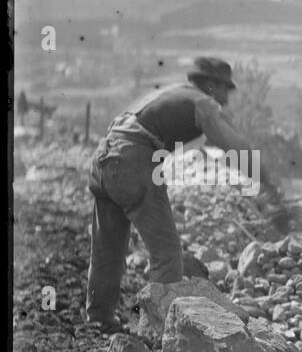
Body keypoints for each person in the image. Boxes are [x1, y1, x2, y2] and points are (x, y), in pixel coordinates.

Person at [84, 57, 279, 332]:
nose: (227, 99)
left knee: (108, 247)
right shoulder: (203, 102)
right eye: (225, 90)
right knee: (167, 253)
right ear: (211, 85)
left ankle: (98, 319)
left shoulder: (170, 92)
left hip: (102, 159)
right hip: (132, 160)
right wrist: (267, 181)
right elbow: (233, 146)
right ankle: (162, 331)